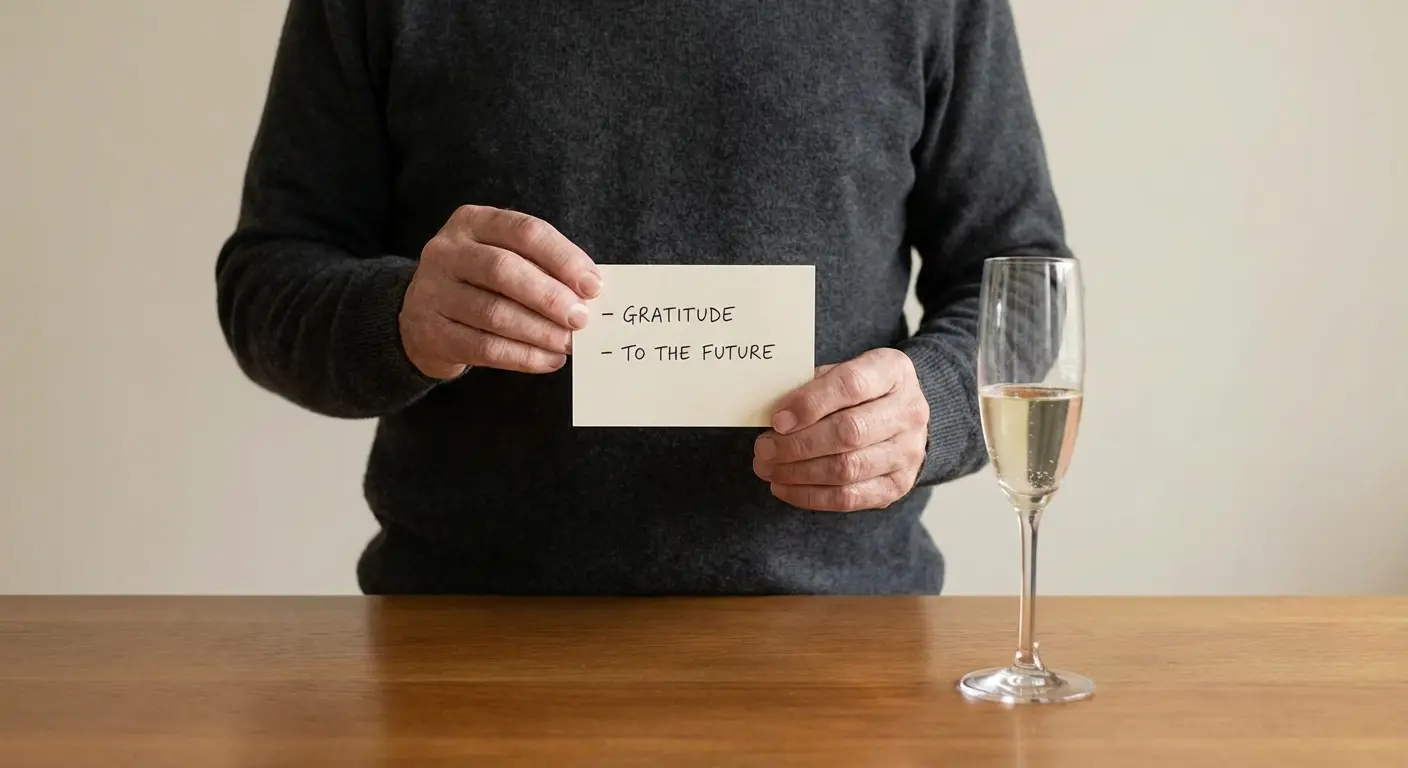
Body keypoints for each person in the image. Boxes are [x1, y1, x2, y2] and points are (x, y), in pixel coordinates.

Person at [216, 0, 1070, 595]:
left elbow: (1026, 290)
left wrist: (938, 408)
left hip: (839, 644)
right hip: (467, 639)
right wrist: (398, 316)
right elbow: (266, 284)